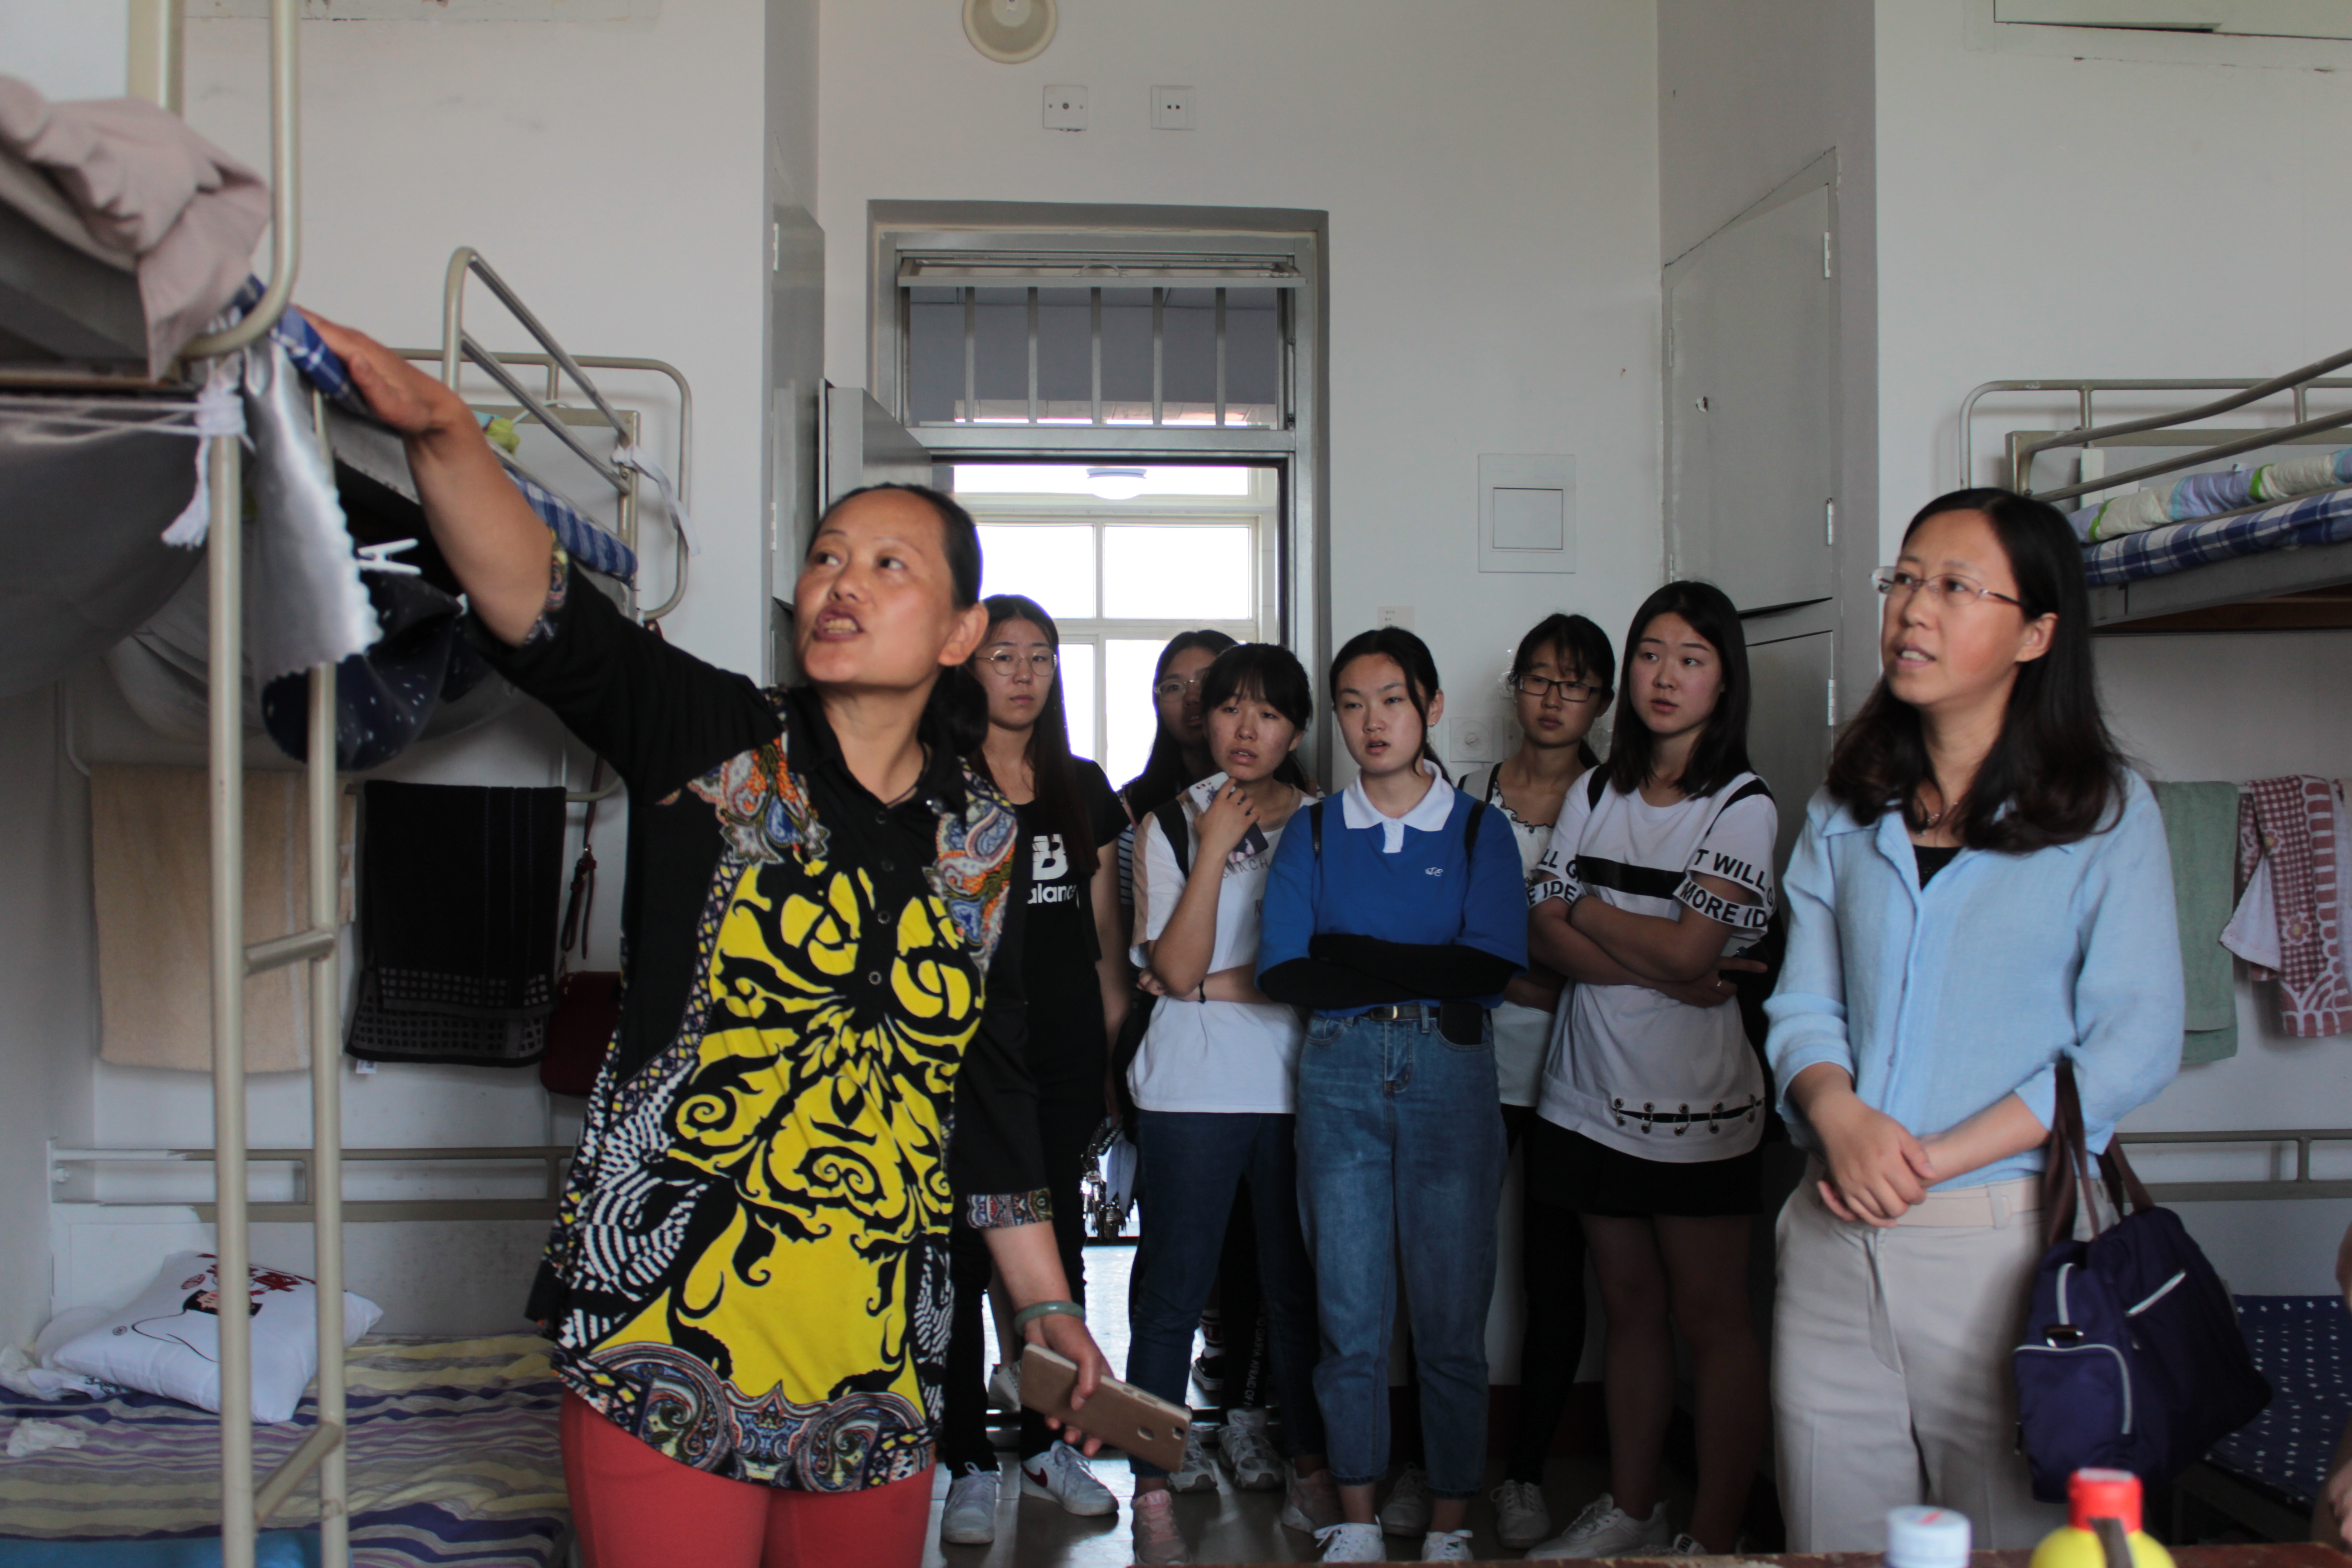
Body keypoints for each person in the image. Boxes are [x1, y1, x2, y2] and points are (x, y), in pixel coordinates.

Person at [305, 312, 1112, 1568]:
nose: (841, 582)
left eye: (889, 565)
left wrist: (1046, 1303)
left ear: (960, 635)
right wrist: (443, 432)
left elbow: (989, 1090)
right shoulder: (714, 740)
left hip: (879, 1359)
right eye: (827, 558)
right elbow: (545, 613)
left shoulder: (983, 842)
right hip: (661, 1335)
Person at [1766, 489, 2181, 1552]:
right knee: (1838, 1543)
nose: (1915, 609)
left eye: (1955, 587)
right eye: (1905, 579)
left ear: (2036, 634)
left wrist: (1933, 1158)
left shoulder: (2106, 814)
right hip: (1832, 1238)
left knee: (2013, 1548)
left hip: (2004, 1249)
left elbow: (2132, 1042)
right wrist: (1838, 1116)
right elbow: (1804, 1001)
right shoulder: (1846, 806)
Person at [1257, 627, 1530, 1565]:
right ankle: (1359, 1517)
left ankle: (1451, 1522)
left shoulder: (1479, 830)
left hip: (1452, 1071)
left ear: (1431, 708)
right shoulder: (1314, 830)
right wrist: (1415, 963)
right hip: (1337, 1073)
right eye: (1352, 704)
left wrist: (1351, 954)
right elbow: (1287, 970)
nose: (1372, 722)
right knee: (1350, 1316)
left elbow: (1488, 967)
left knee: (1451, 1321)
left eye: (1392, 700)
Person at [1522, 582, 1777, 1559]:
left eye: (1691, 659)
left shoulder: (1743, 806)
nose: (1666, 677)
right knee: (1626, 1311)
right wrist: (1650, 955)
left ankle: (1709, 1536)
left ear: (1724, 680)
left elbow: (1688, 948)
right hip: (1585, 1092)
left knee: (1712, 1322)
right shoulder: (1597, 791)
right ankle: (1632, 1509)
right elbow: (1544, 933)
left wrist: (1589, 910)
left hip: (1694, 1107)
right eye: (1651, 654)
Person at [1122, 643, 1336, 1566]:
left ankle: (1310, 1466)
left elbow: (1323, 970)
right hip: (1189, 1091)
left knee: (1297, 1292)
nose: (1247, 730)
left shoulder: (1329, 826)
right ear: (1204, 719)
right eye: (1229, 709)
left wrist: (1215, 983)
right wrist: (1213, 847)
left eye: (1270, 713)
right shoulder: (1169, 827)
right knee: (1171, 1294)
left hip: (1300, 1087)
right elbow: (1173, 967)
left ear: (1296, 729)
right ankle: (1152, 1482)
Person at [936, 596, 1133, 1545]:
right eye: (1003, 656)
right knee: (962, 1256)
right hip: (965, 1060)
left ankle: (1052, 1446)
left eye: (1040, 657)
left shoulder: (1081, 786)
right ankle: (968, 1459)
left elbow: (1104, 936)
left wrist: (1110, 1048)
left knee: (1056, 1256)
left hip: (1061, 1053)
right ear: (969, 669)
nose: (1022, 674)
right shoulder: (939, 782)